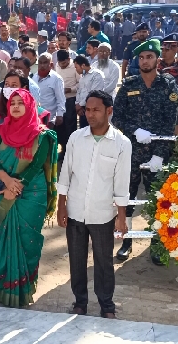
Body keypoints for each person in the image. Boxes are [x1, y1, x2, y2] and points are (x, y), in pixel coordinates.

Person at [57, 90, 130, 319]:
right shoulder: (76, 138)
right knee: (77, 261)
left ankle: (106, 305)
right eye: (87, 109)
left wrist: (121, 216)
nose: (90, 114)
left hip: (103, 214)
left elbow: (121, 182)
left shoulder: (121, 143)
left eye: (96, 109)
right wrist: (61, 205)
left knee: (104, 262)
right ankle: (80, 302)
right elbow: (66, 174)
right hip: (75, 211)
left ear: (109, 111)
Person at [0, 89, 58, 307]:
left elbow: (36, 165)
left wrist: (16, 186)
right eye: (12, 103)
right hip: (5, 187)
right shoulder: (1, 131)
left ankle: (23, 290)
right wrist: (7, 181)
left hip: (32, 192)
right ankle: (1, 288)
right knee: (5, 237)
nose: (15, 106)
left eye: (20, 103)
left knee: (27, 240)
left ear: (30, 106)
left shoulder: (42, 135)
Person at [112, 39, 178, 264]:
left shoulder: (168, 85)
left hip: (157, 154)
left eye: (149, 57)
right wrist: (134, 129)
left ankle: (157, 243)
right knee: (127, 198)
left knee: (159, 199)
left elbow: (171, 121)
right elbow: (117, 117)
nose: (145, 61)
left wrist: (160, 153)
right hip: (130, 151)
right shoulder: (129, 85)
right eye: (141, 58)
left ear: (157, 60)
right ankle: (127, 242)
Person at [74, 55, 105, 128]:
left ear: (83, 65)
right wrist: (77, 105)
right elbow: (79, 91)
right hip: (82, 110)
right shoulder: (83, 77)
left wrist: (80, 104)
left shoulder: (97, 75)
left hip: (93, 109)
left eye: (76, 67)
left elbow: (94, 93)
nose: (76, 70)